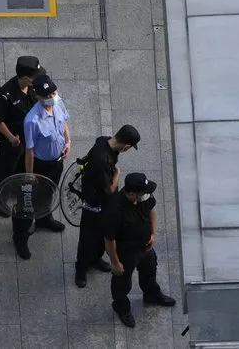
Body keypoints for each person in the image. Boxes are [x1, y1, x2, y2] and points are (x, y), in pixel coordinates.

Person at [103, 172, 176, 328]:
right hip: (126, 252)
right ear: (131, 194)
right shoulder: (115, 210)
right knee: (122, 282)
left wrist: (153, 234)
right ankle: (121, 307)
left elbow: (151, 212)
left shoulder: (144, 198)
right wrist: (115, 263)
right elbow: (109, 239)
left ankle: (151, 295)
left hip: (145, 246)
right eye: (143, 193)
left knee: (150, 271)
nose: (147, 195)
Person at [75, 125, 141, 288]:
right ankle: (81, 268)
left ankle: (96, 258)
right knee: (88, 237)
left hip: (104, 203)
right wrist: (118, 173)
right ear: (126, 145)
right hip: (94, 203)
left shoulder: (103, 141)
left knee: (102, 233)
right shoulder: (102, 161)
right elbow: (110, 189)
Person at [13, 74, 68, 259]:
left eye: (54, 91)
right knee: (27, 204)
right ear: (38, 96)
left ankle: (44, 219)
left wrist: (68, 141)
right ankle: (20, 237)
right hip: (39, 166)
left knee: (48, 193)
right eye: (48, 94)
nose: (53, 96)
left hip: (57, 162)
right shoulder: (32, 120)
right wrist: (29, 175)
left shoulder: (57, 103)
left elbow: (64, 121)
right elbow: (29, 149)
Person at [0, 56, 45, 216]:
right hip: (13, 141)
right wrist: (11, 138)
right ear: (25, 77)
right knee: (4, 170)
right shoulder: (6, 94)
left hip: (29, 139)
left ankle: (14, 190)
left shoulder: (33, 88)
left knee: (22, 168)